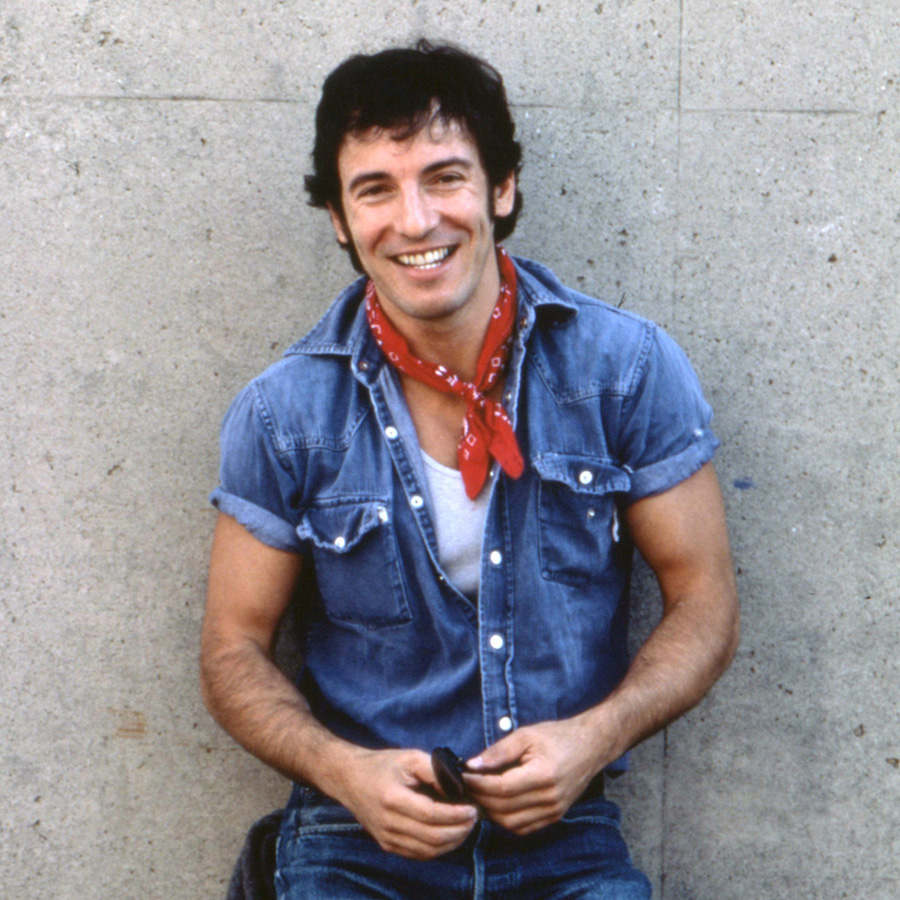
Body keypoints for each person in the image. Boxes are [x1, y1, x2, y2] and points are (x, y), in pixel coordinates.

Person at [201, 40, 739, 899]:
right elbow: (232, 650)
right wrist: (344, 773)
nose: (414, 221)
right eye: (374, 188)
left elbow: (705, 601)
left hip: (568, 840)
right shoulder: (283, 413)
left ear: (501, 189)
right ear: (339, 219)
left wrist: (593, 739)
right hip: (353, 846)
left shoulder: (625, 369)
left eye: (445, 177)